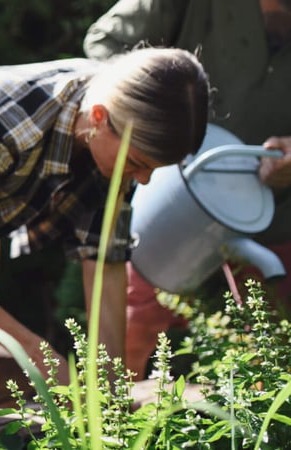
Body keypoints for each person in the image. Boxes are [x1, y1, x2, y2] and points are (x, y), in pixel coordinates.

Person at [0, 46, 210, 424]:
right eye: (137, 164)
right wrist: (41, 357)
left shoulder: (118, 126)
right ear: (99, 117)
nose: (144, 179)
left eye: (153, 169)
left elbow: (105, 261)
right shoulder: (3, 129)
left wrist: (112, 388)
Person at [84, 0, 291, 378]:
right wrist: (160, 132)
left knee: (273, 349)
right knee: (135, 326)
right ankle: (111, 429)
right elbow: (104, 46)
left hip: (278, 208)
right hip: (170, 195)